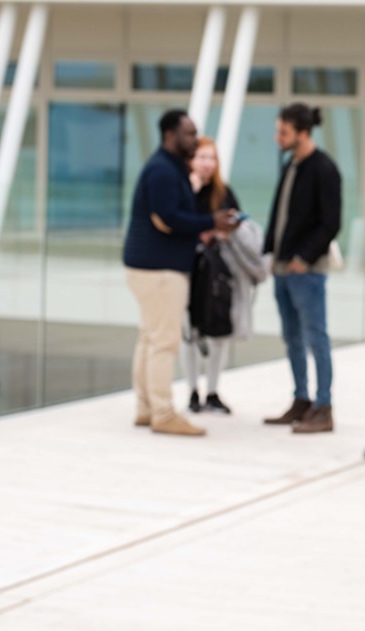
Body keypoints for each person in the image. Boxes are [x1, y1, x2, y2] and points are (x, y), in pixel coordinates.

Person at [123, 109, 240, 437]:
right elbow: (167, 217)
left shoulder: (169, 167)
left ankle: (146, 408)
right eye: (188, 133)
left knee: (150, 337)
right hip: (159, 269)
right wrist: (210, 222)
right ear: (169, 135)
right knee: (163, 341)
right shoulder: (163, 170)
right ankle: (162, 412)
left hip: (151, 267)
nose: (193, 138)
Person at [261, 103, 342, 434]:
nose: (277, 136)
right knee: (292, 338)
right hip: (281, 268)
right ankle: (301, 400)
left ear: (303, 133)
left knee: (316, 337)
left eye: (284, 131)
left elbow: (330, 223)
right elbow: (278, 213)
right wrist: (269, 252)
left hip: (305, 271)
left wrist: (302, 258)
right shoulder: (290, 164)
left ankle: (323, 407)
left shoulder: (324, 169)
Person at [179, 136, 267, 414]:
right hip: (189, 270)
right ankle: (192, 391)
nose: (207, 163)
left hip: (219, 273)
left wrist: (220, 232)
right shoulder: (182, 189)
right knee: (189, 332)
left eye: (212, 158)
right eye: (202, 157)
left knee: (219, 330)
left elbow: (236, 225)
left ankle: (213, 391)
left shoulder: (223, 192)